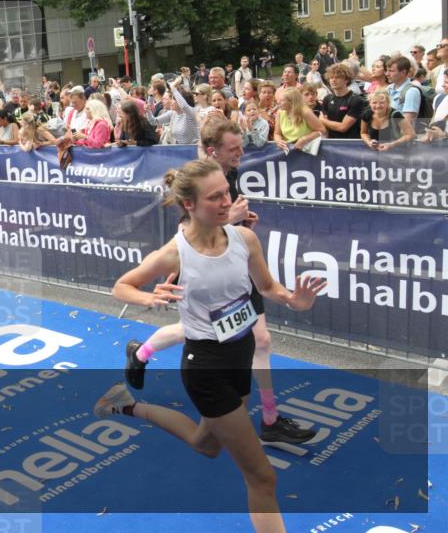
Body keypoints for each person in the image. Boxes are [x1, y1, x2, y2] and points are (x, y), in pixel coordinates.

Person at [95, 158, 326, 533]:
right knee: (263, 478)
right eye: (215, 197)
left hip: (240, 355)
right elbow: (122, 286)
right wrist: (149, 299)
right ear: (189, 204)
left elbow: (266, 288)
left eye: (227, 193)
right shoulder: (174, 254)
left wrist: (295, 300)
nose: (226, 202)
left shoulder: (244, 239)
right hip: (205, 366)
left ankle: (126, 405)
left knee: (206, 443)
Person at [123, 120, 316, 442]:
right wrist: (233, 220)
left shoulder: (229, 176)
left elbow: (258, 271)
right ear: (214, 151)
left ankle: (268, 419)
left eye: (241, 146)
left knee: (254, 340)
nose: (241, 152)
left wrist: (241, 228)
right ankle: (267, 419)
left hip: (236, 272)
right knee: (213, 334)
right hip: (207, 270)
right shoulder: (200, 181)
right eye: (234, 148)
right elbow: (191, 229)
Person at [319, 63, 366, 139]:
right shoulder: (327, 99)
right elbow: (326, 128)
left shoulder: (356, 100)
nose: (333, 80)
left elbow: (343, 127)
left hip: (349, 144)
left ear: (346, 79)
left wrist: (322, 120)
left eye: (337, 77)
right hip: (330, 143)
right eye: (331, 77)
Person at [273, 87, 326, 153]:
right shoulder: (280, 113)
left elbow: (322, 131)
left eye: (282, 100)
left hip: (307, 151)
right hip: (288, 152)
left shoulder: (305, 112)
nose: (278, 102)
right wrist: (278, 141)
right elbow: (277, 133)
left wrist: (305, 139)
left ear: (291, 101)